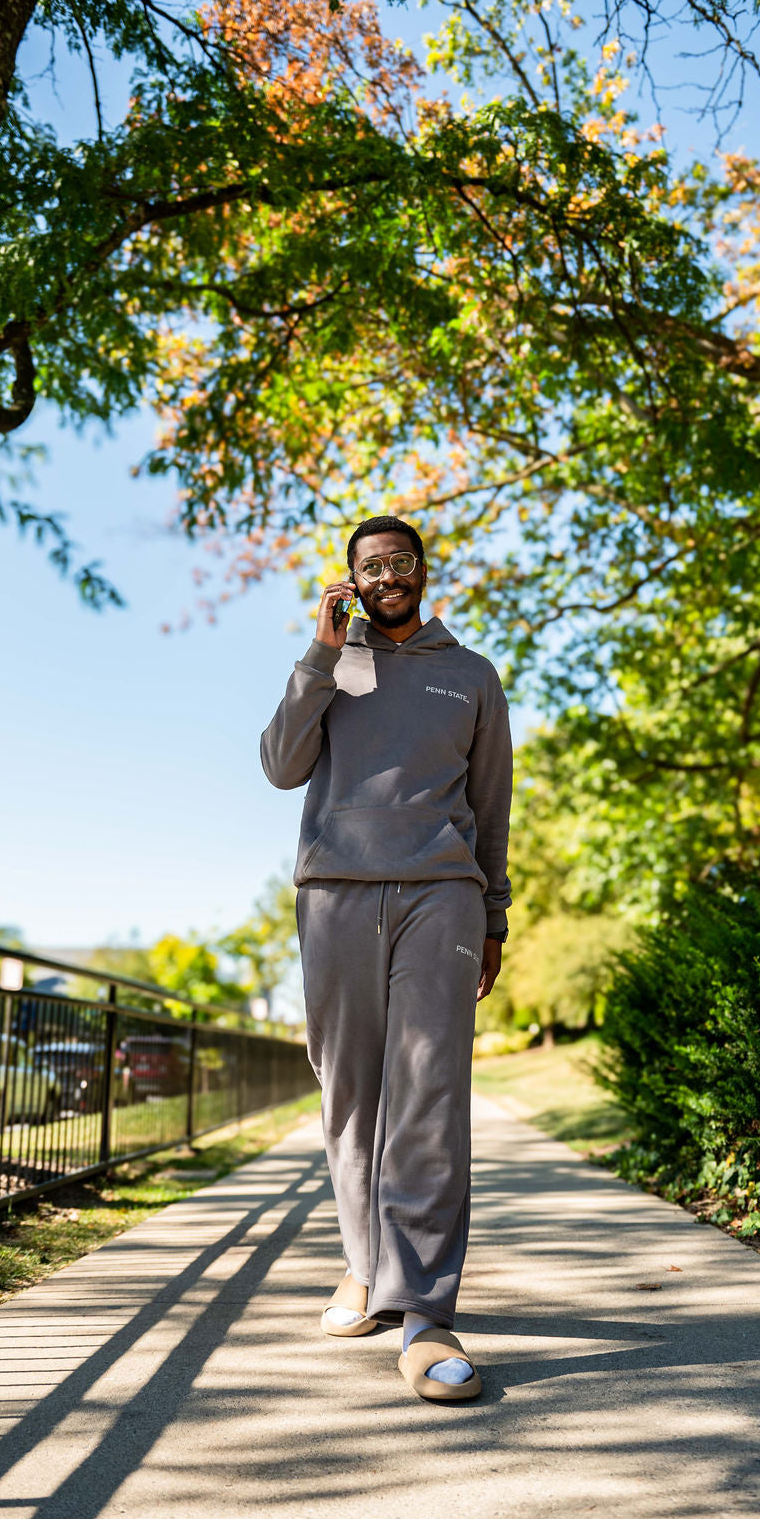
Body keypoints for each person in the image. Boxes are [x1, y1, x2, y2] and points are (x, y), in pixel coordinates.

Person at [260, 515, 511, 1402]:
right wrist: (319, 656)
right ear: (352, 581)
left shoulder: (471, 676)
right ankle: (365, 1269)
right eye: (371, 566)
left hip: (440, 894)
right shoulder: (330, 665)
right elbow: (280, 765)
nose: (388, 576)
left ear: (422, 570)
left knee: (430, 1094)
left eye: (401, 561)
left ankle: (424, 1313)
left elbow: (491, 806)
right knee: (349, 1092)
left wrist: (493, 916)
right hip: (334, 895)